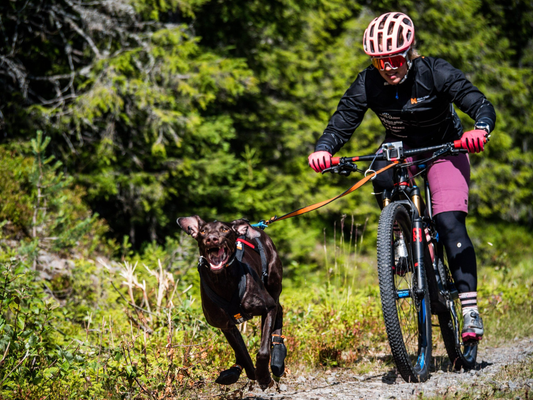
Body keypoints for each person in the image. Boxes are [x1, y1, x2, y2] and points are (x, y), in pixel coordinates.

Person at [308, 12, 496, 341]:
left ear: (408, 52)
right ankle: (398, 237)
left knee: (450, 220)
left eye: (394, 58)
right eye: (380, 61)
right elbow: (343, 120)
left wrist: (480, 129)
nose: (388, 67)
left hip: (445, 147)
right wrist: (324, 149)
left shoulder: (434, 72)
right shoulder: (367, 82)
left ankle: (469, 311)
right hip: (402, 148)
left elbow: (478, 101)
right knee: (379, 173)